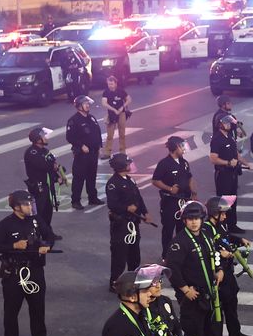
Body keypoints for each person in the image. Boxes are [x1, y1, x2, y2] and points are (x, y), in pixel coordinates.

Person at [165, 200, 240, 336]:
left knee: (214, 331)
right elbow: (172, 270)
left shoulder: (205, 235)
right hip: (193, 297)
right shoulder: (179, 242)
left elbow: (214, 253)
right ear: (184, 221)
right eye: (190, 219)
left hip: (210, 294)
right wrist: (184, 289)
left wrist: (220, 269)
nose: (194, 222)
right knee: (194, 335)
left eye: (197, 218)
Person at [0, 191, 56, 336]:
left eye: (30, 203)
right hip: (14, 273)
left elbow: (49, 235)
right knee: (12, 310)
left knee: (37, 306)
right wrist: (14, 246)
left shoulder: (36, 220)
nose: (30, 207)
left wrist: (47, 245)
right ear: (16, 207)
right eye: (26, 204)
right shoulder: (4, 225)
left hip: (34, 269)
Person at [203, 196, 253, 336]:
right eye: (223, 213)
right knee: (218, 308)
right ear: (214, 213)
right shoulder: (206, 229)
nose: (225, 216)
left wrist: (239, 240)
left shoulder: (221, 225)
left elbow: (226, 237)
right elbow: (206, 249)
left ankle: (235, 333)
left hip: (228, 270)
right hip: (218, 273)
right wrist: (220, 253)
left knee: (232, 302)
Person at [106, 154, 150, 291]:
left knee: (134, 254)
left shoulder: (130, 180)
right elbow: (112, 204)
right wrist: (126, 208)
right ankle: (115, 283)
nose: (130, 165)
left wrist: (145, 212)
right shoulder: (113, 184)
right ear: (121, 166)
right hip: (121, 225)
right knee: (119, 255)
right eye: (127, 163)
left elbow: (138, 197)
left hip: (133, 223)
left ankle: (133, 280)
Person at [152, 136, 197, 258]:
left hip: (184, 201)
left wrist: (193, 191)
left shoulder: (184, 162)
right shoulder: (164, 164)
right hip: (170, 202)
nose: (183, 149)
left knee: (183, 229)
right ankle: (166, 255)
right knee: (168, 230)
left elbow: (189, 176)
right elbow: (155, 180)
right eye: (181, 146)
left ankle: (181, 253)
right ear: (174, 147)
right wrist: (169, 188)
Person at [210, 114, 251, 233]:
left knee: (233, 200)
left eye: (229, 123)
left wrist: (246, 163)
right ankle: (222, 227)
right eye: (226, 123)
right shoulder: (217, 139)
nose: (229, 125)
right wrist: (228, 163)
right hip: (223, 175)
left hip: (233, 174)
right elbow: (213, 158)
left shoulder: (229, 137)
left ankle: (232, 225)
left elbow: (236, 154)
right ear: (219, 124)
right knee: (224, 202)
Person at [24, 127, 64, 239]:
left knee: (48, 211)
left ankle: (47, 232)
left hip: (47, 185)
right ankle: (39, 234)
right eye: (44, 136)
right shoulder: (32, 152)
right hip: (39, 186)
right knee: (39, 212)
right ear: (38, 139)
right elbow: (43, 166)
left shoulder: (45, 151)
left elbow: (51, 166)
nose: (46, 138)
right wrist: (53, 165)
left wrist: (57, 177)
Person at [66, 95, 104, 209]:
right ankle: (75, 201)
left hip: (93, 152)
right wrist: (81, 145)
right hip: (82, 154)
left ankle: (93, 198)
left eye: (88, 103)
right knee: (79, 177)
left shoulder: (91, 118)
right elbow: (70, 137)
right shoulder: (74, 120)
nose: (88, 105)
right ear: (79, 106)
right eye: (85, 104)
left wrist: (99, 147)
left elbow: (97, 133)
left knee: (92, 176)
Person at [101, 76, 132, 159]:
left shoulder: (121, 91)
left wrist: (123, 107)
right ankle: (107, 152)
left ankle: (122, 151)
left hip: (121, 114)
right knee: (110, 135)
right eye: (108, 84)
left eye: (111, 84)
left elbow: (129, 99)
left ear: (115, 83)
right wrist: (114, 110)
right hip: (111, 114)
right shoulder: (106, 92)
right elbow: (104, 103)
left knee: (122, 134)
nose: (110, 86)